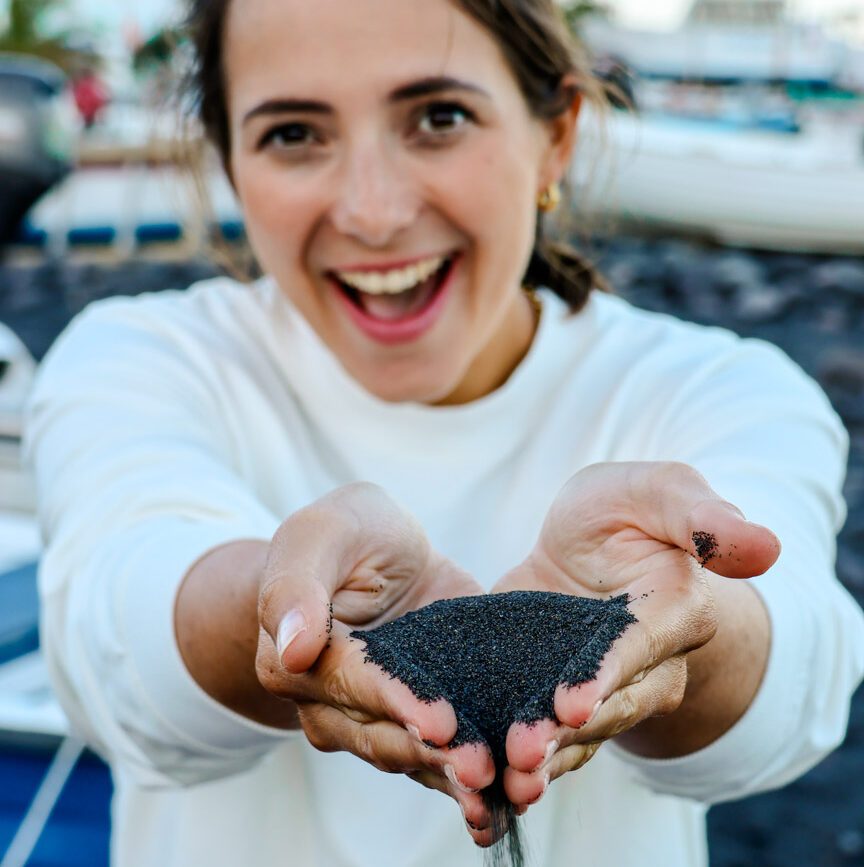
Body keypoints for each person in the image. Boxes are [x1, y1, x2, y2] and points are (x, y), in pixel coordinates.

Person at [23, 0, 864, 865]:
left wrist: (686, 625)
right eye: (293, 134)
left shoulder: (718, 387)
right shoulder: (140, 357)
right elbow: (111, 632)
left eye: (440, 118)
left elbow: (799, 676)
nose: (374, 212)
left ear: (556, 136)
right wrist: (276, 608)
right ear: (230, 161)